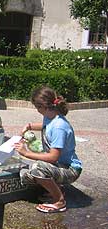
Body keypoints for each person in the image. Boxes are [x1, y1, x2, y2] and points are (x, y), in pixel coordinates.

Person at [14, 86, 82, 214]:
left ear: (42, 107)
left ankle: (59, 201)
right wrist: (29, 126)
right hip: (59, 165)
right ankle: (58, 189)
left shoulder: (59, 127)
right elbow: (46, 126)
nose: (37, 110)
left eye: (37, 107)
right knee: (26, 175)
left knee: (37, 168)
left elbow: (53, 157)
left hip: (70, 169)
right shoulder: (51, 116)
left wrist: (26, 153)